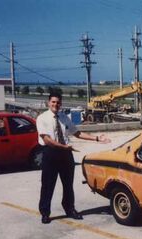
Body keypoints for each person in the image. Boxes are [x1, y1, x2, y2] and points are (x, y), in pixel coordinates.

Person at [36, 92, 111, 224]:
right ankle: (45, 213)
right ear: (48, 103)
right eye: (53, 102)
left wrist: (97, 138)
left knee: (68, 185)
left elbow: (77, 133)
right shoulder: (42, 118)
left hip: (65, 154)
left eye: (58, 102)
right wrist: (63, 147)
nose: (55, 105)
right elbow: (46, 140)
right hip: (51, 153)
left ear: (61, 104)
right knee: (47, 185)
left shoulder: (64, 117)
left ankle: (70, 209)